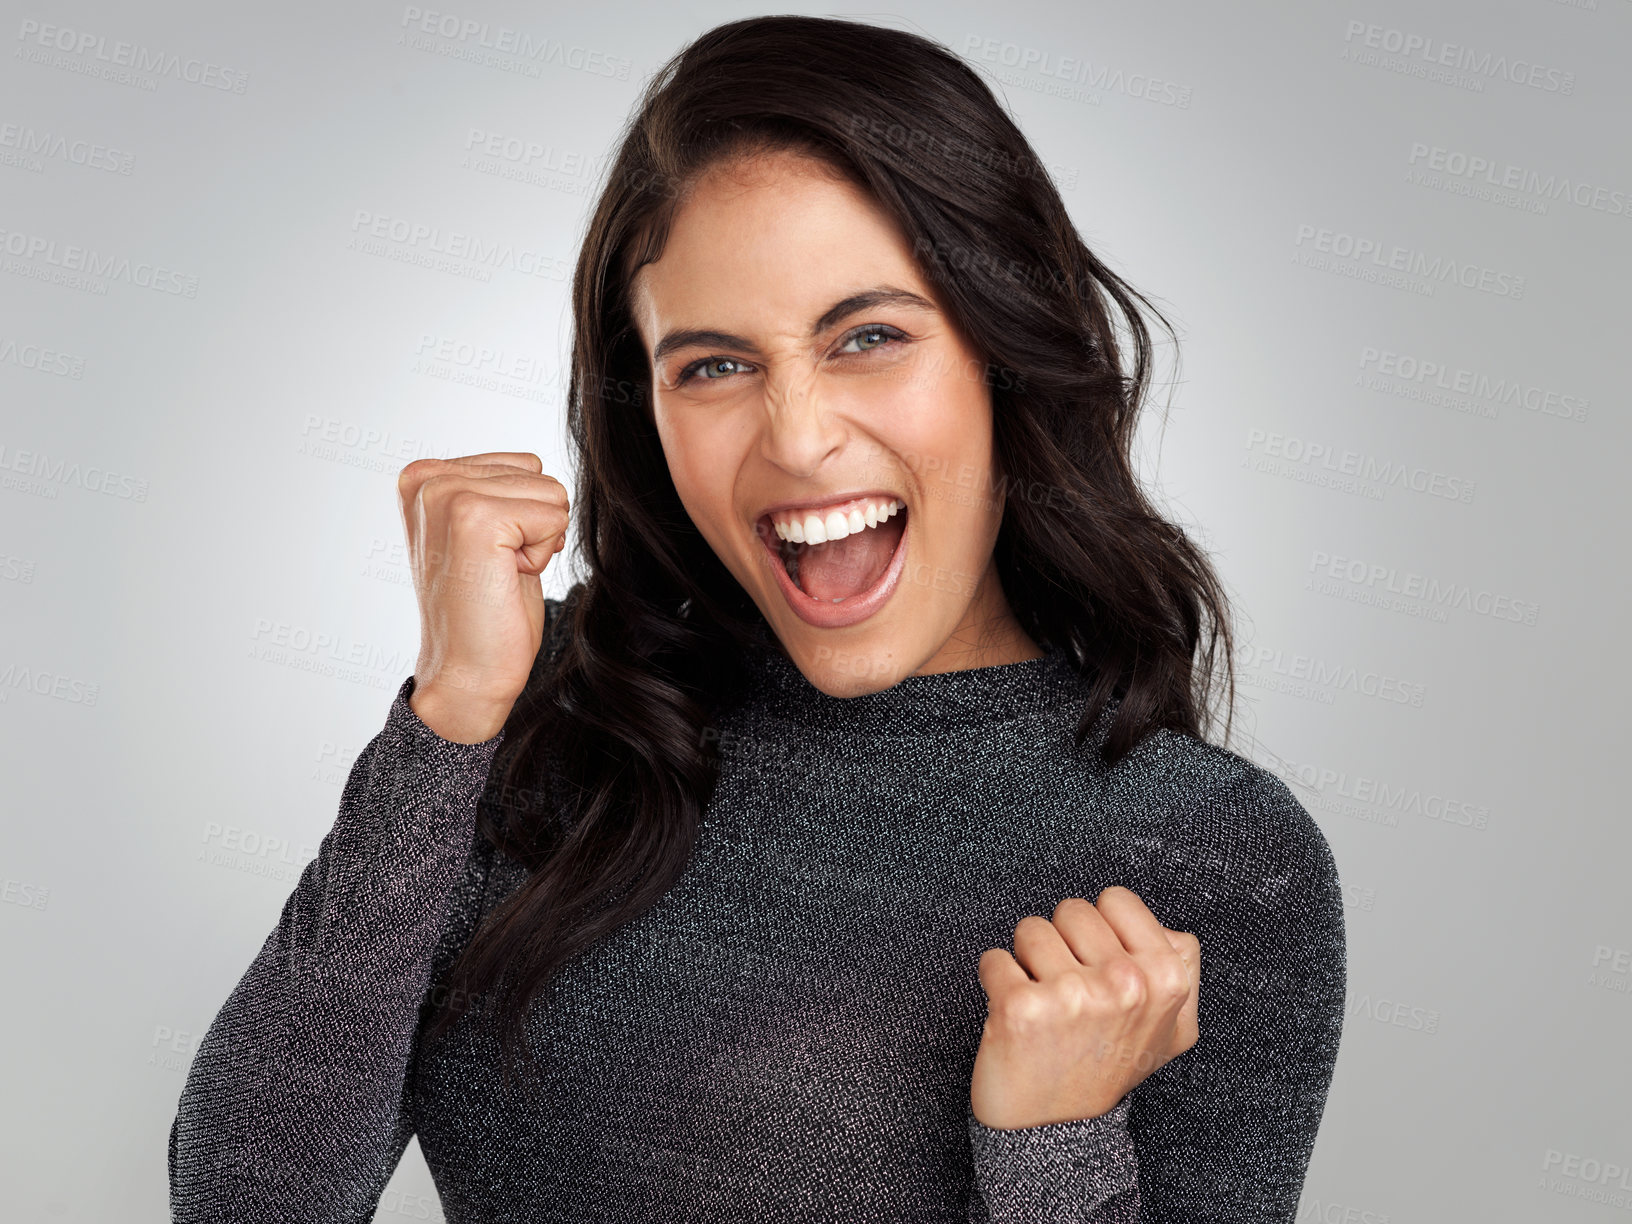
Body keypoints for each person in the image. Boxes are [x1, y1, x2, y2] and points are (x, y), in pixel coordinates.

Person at [168, 15, 1345, 1222]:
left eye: (870, 337)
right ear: (651, 408)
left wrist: (1057, 1144)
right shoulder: (549, 716)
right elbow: (246, 1203)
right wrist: (453, 714)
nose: (796, 438)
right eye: (715, 366)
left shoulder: (1210, 850)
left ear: (1005, 354)